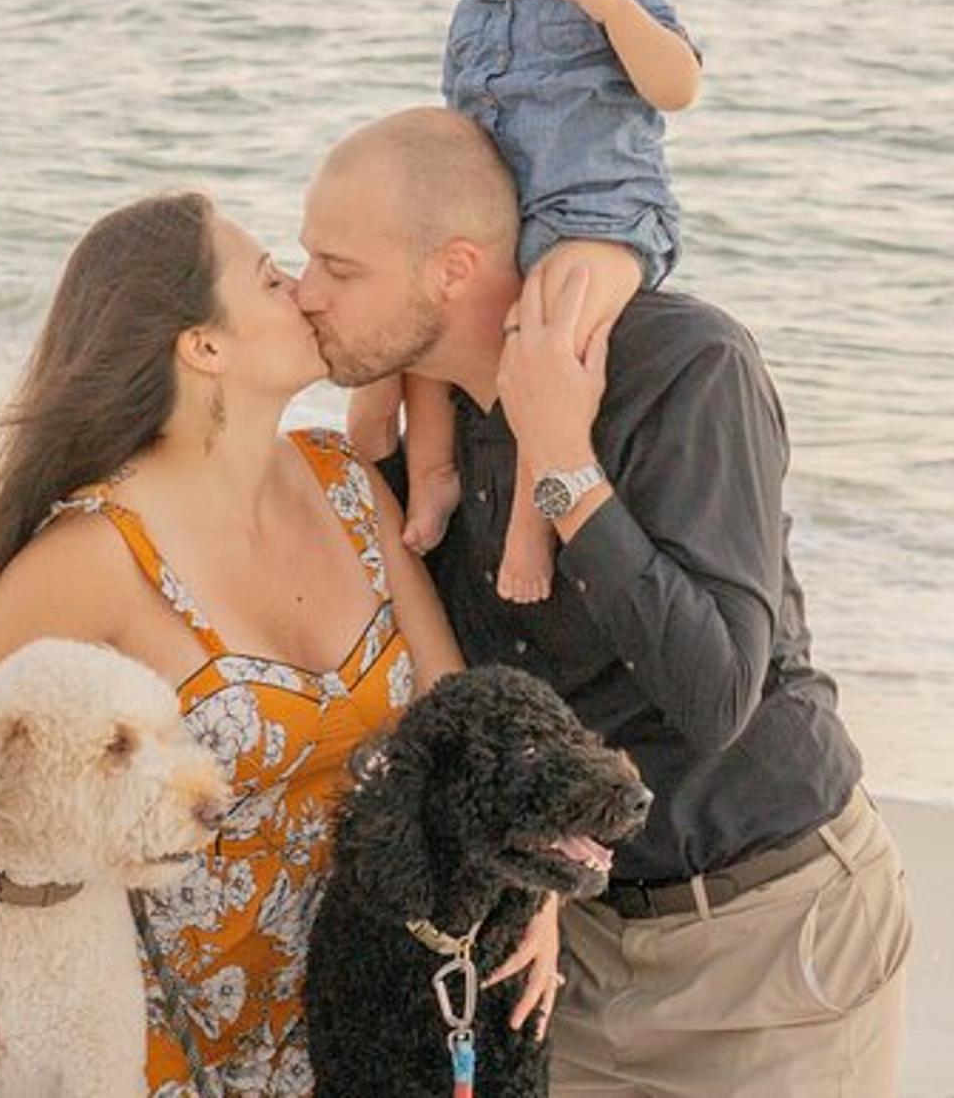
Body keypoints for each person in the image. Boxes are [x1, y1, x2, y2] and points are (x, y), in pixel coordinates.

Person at [0, 191, 561, 1098]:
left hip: (356, 1022)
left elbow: (465, 723)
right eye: (272, 278)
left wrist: (533, 892)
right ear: (205, 346)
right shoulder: (96, 552)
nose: (307, 291)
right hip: (159, 1044)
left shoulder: (347, 484)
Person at [298, 109, 912, 1097]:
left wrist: (565, 471)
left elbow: (713, 698)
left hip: (766, 940)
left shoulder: (683, 368)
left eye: (338, 268)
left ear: (451, 269)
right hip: (563, 942)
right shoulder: (425, 440)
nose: (306, 293)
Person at [348, 0, 703, 606]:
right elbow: (459, 132)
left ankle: (529, 524)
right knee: (430, 307)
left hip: (606, 220)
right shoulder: (472, 14)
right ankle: (431, 469)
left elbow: (678, 84)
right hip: (507, 220)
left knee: (543, 332)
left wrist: (616, 11)